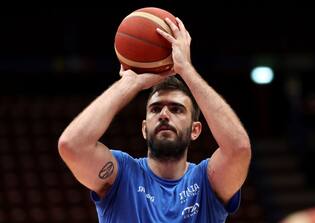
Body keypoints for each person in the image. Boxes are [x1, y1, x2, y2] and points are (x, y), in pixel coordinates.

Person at [58, 16, 251, 223]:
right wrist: (130, 83)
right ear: (144, 128)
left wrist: (187, 70)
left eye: (177, 109)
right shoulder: (123, 174)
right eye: (155, 109)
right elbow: (72, 145)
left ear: (195, 130)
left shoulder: (206, 181)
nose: (164, 114)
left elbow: (238, 149)